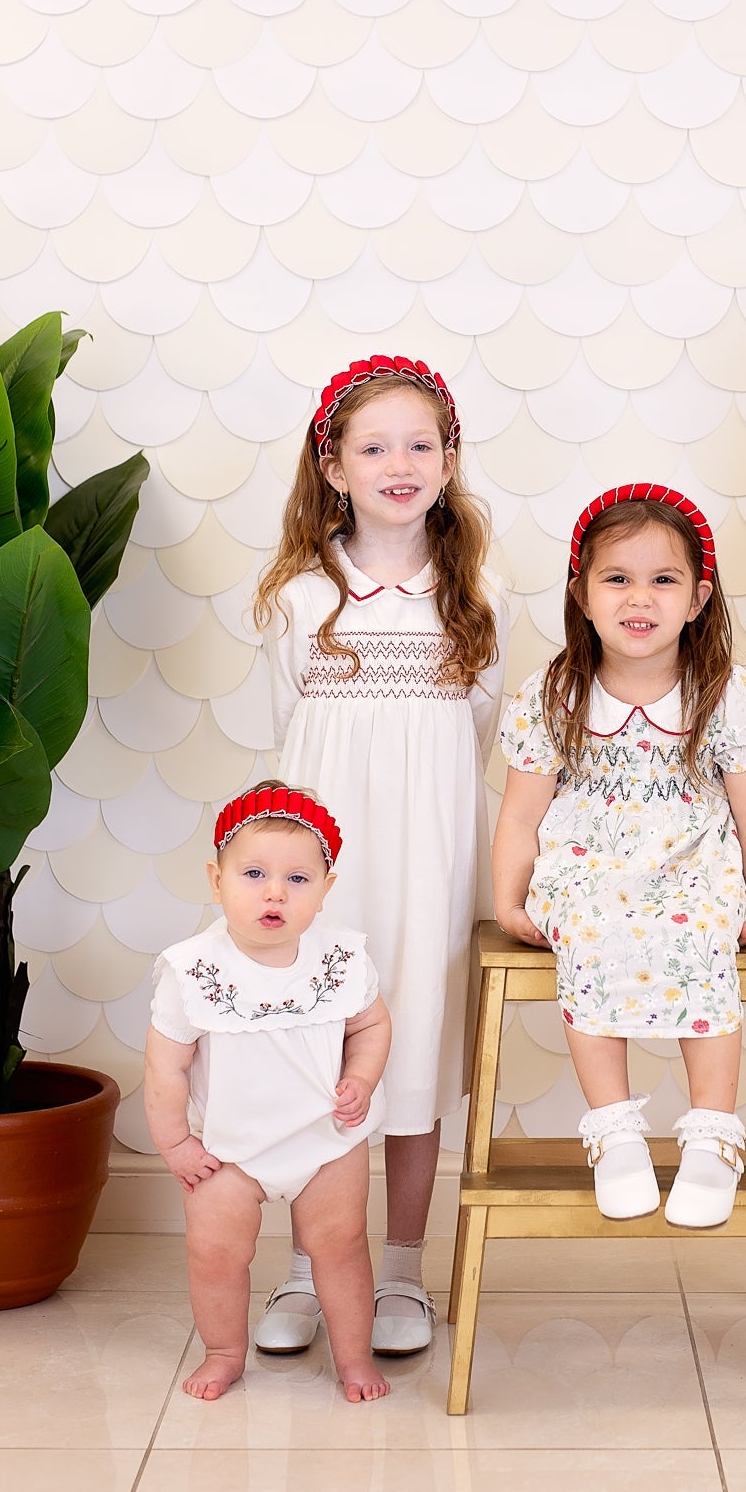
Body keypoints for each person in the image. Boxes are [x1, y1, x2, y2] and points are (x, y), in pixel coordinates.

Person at [252, 355, 508, 1355]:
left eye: (419, 445)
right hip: (329, 869)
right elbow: (289, 733)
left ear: (448, 459)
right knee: (317, 1047)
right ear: (333, 466)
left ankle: (401, 1269)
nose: (398, 465)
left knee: (413, 1047)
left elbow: (476, 730)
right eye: (373, 448)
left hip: (428, 859)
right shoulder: (300, 596)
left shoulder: (473, 594)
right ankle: (305, 1268)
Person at [493, 484, 746, 1228]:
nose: (640, 598)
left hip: (692, 862)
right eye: (617, 578)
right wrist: (507, 899)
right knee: (588, 926)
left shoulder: (726, 693)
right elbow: (521, 813)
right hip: (587, 865)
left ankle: (712, 1134)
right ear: (582, 594)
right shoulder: (555, 694)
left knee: (702, 931)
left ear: (697, 598)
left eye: (663, 580)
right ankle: (615, 1130)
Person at [144, 784, 392, 1403]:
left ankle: (354, 1357)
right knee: (215, 1253)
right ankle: (224, 1351)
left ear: (325, 889)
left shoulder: (341, 957)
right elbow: (166, 1067)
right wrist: (176, 1144)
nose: (275, 892)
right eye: (253, 874)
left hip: (327, 1141)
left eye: (297, 879)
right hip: (227, 1152)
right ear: (217, 879)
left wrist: (361, 1079)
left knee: (342, 1246)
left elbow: (370, 1026)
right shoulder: (194, 969)